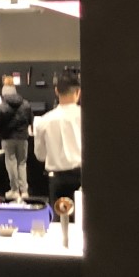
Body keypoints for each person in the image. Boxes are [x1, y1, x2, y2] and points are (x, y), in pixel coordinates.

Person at [34, 74, 82, 210]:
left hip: (58, 179)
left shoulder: (44, 120)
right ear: (78, 92)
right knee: (86, 218)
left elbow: (40, 155)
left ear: (56, 91)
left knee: (60, 217)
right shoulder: (87, 117)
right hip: (83, 176)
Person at [0, 75, 32, 198]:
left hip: (7, 138)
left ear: (4, 92)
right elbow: (30, 120)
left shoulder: (1, 107)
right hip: (23, 138)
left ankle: (14, 190)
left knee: (11, 163)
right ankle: (24, 191)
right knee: (22, 163)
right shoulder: (26, 104)